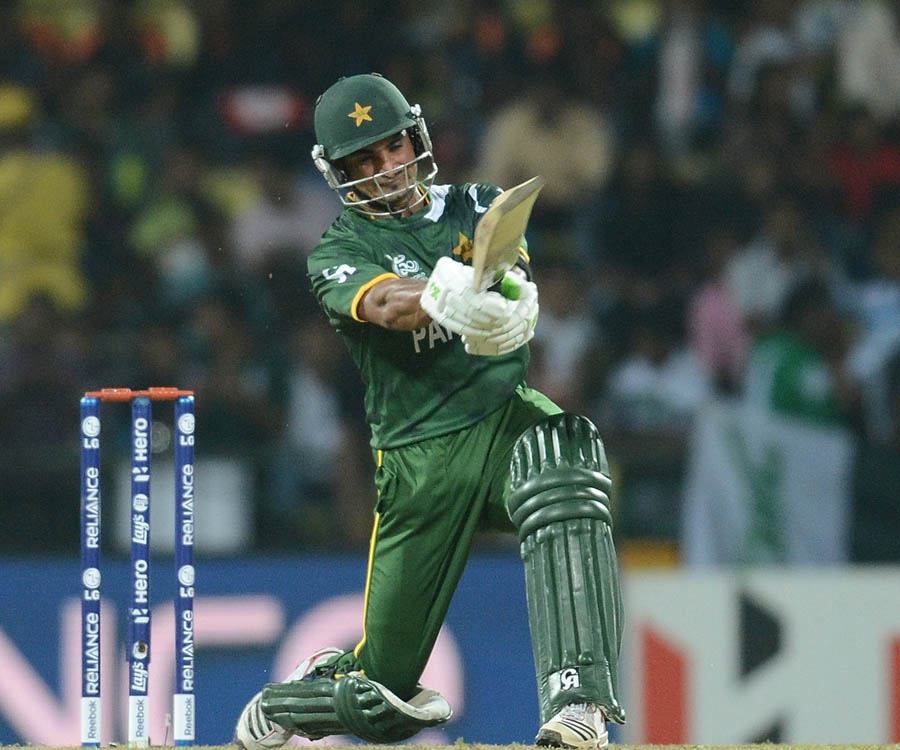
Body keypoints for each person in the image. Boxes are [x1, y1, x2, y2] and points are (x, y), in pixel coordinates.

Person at [233, 73, 626, 749]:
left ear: (417, 138)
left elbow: (513, 277)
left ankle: (579, 705)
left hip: (502, 417)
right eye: (364, 161)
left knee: (566, 450)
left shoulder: (478, 204)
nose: (386, 170)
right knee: (382, 700)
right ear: (339, 174)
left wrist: (513, 301)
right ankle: (291, 702)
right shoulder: (336, 251)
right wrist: (450, 294)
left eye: (393, 148)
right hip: (419, 462)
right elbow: (385, 304)